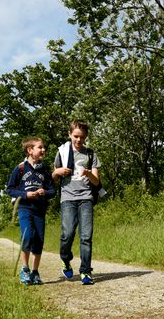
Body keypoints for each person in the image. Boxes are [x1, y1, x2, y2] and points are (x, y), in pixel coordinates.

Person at [52, 120, 101, 285]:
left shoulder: (91, 154)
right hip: (67, 198)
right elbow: (53, 175)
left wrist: (88, 173)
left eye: (82, 137)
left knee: (86, 236)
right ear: (70, 135)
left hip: (86, 198)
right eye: (76, 136)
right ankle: (65, 260)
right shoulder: (63, 152)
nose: (79, 140)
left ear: (86, 137)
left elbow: (96, 181)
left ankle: (85, 271)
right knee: (67, 234)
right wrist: (58, 171)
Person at [6, 137, 56, 285]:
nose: (43, 150)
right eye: (40, 147)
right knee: (27, 236)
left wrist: (44, 192)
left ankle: (35, 272)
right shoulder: (20, 168)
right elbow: (10, 189)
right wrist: (25, 195)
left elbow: (52, 190)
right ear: (30, 150)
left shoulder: (45, 170)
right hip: (24, 208)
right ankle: (25, 269)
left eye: (43, 147)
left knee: (39, 240)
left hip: (39, 209)